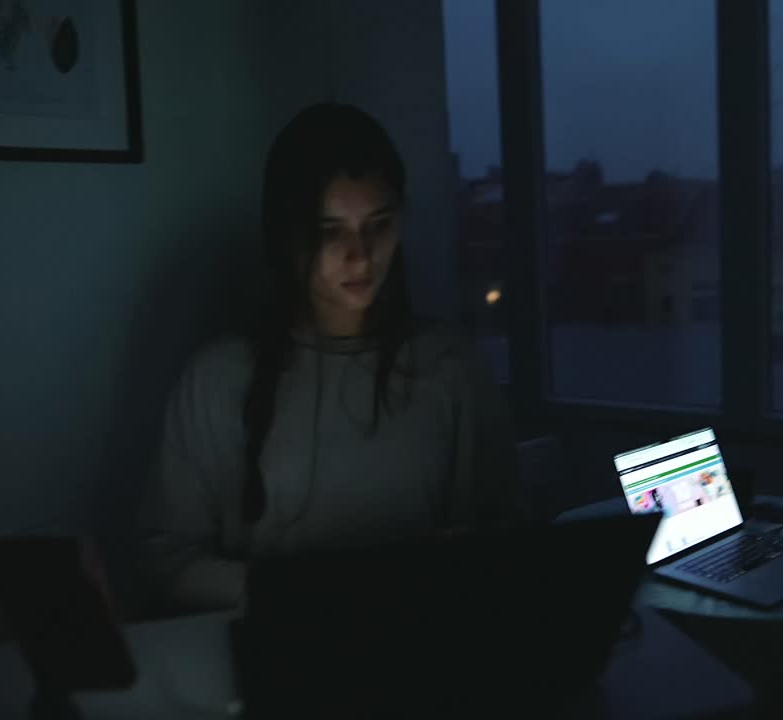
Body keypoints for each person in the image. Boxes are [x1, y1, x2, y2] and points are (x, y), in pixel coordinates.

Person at [136, 103, 523, 615]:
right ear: (288, 237)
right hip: (279, 661)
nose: (360, 256)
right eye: (330, 231)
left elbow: (509, 532)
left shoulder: (448, 365)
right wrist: (305, 593)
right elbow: (168, 562)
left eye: (378, 226)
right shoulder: (219, 380)